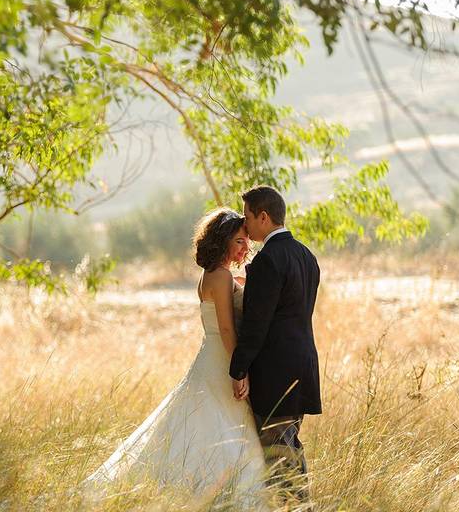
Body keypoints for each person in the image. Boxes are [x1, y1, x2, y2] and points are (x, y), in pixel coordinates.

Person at [81, 208, 267, 509]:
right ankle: (228, 495)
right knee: (222, 427)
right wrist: (239, 370)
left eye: (246, 241)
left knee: (209, 426)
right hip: (222, 359)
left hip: (211, 356)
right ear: (222, 242)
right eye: (239, 241)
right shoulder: (220, 277)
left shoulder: (215, 276)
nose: (245, 247)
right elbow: (225, 328)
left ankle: (216, 495)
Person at [230, 185, 321, 501]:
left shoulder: (269, 259)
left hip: (276, 373)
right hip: (303, 367)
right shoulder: (306, 255)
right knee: (290, 448)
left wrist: (238, 368)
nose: (246, 224)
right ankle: (300, 506)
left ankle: (294, 507)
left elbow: (257, 325)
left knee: (279, 458)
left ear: (263, 217)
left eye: (248, 217)